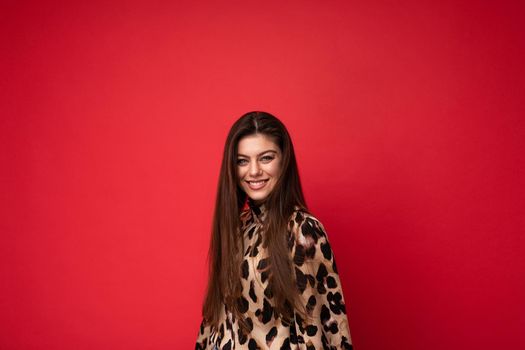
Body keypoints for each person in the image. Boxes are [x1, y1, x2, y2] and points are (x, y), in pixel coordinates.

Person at [195, 111, 353, 349]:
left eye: (266, 158)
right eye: (242, 161)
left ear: (284, 160)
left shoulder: (302, 230)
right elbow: (216, 322)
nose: (254, 171)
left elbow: (319, 330)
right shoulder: (238, 226)